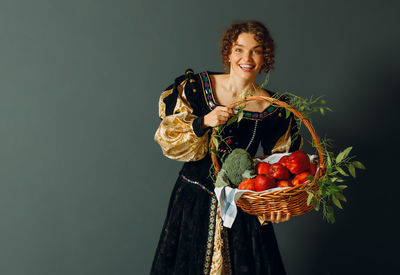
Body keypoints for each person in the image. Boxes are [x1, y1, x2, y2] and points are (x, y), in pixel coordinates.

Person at [151, 21, 302, 275]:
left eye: (256, 50)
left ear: (265, 57)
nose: (247, 57)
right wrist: (204, 122)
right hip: (193, 203)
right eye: (239, 49)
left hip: (243, 207)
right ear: (229, 53)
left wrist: (277, 206)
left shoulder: (274, 108)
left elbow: (281, 167)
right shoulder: (197, 87)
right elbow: (169, 138)